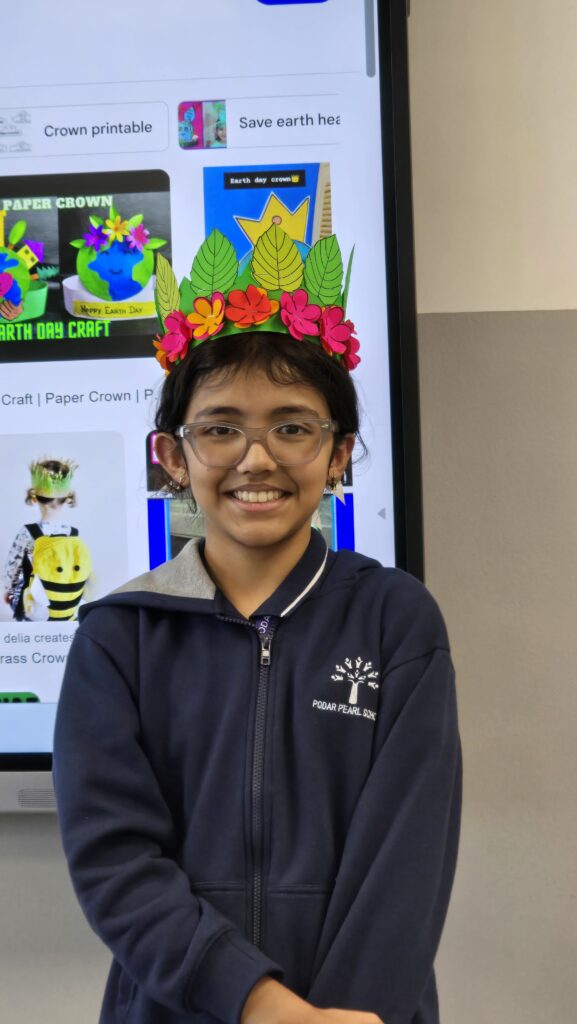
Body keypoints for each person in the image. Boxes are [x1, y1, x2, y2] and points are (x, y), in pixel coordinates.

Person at [54, 229, 461, 1024]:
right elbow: (116, 863)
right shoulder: (116, 636)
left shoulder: (394, 618)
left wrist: (332, 1020)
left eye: (292, 426)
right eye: (219, 428)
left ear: (338, 454)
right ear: (171, 455)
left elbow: (406, 860)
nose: (255, 458)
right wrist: (262, 1007)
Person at [3, 458, 90, 621]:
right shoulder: (73, 533)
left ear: (34, 497)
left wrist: (8, 591)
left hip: (36, 606)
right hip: (68, 605)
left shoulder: (28, 532)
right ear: (69, 497)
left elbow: (12, 569)